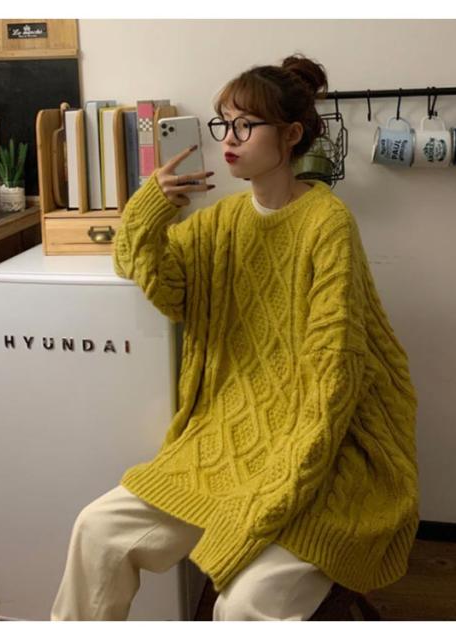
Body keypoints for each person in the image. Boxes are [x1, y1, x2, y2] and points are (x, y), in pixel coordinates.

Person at [50, 53, 420, 621]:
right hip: (222, 441)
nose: (228, 138)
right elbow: (143, 269)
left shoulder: (327, 223)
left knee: (243, 605)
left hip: (321, 450)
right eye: (224, 123)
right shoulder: (220, 221)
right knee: (96, 530)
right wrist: (151, 204)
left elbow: (335, 372)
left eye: (246, 125)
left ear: (291, 135)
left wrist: (287, 476)